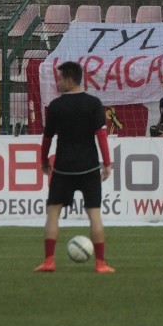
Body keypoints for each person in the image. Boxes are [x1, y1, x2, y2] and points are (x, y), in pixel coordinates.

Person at [34, 61, 115, 273]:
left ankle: (49, 261)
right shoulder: (93, 103)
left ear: (70, 80)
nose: (57, 82)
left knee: (53, 213)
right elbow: (101, 136)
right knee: (94, 214)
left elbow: (47, 138)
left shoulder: (56, 106)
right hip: (88, 167)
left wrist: (43, 160)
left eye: (60, 79)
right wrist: (107, 163)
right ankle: (101, 263)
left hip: (62, 168)